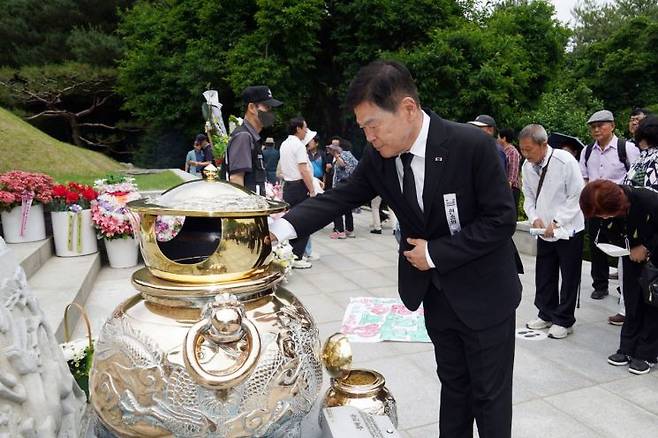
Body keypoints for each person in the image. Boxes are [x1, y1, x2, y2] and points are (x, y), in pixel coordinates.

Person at [269, 60, 521, 438]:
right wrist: (280, 229)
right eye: (363, 128)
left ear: (407, 109)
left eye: (373, 125)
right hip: (437, 294)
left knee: (489, 395)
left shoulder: (471, 146)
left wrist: (435, 253)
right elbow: (341, 197)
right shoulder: (380, 157)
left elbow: (501, 219)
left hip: (485, 293)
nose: (369, 136)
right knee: (453, 388)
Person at [580, 180, 658, 374]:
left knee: (652, 305)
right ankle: (628, 348)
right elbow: (611, 231)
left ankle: (647, 353)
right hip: (630, 256)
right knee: (632, 301)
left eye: (603, 214)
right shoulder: (606, 207)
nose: (602, 217)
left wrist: (647, 248)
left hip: (654, 260)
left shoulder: (648, 200)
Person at [520, 124, 585, 339]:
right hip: (543, 230)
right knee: (545, 273)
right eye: (522, 149)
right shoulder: (527, 166)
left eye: (529, 149)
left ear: (544, 144)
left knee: (568, 275)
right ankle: (546, 313)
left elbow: (577, 195)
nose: (525, 154)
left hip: (568, 229)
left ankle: (564, 319)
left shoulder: (565, 161)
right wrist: (534, 217)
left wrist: (557, 222)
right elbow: (528, 195)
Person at [580, 110, 641, 300]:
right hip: (596, 208)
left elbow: (636, 176)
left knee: (623, 245)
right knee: (597, 244)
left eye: (601, 126)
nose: (597, 130)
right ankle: (600, 284)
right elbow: (584, 177)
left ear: (612, 126)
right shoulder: (587, 150)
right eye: (593, 127)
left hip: (619, 207)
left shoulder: (626, 148)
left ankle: (626, 286)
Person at [608, 114, 658, 326]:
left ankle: (645, 347)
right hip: (633, 235)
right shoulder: (642, 157)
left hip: (649, 237)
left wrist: (646, 245)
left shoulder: (651, 158)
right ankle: (632, 335)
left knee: (649, 292)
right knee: (632, 289)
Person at [226, 85, 282, 194]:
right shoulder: (243, 136)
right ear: (251, 107)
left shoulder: (251, 137)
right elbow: (236, 180)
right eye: (267, 107)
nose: (270, 113)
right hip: (247, 209)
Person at [278, 117, 315, 269]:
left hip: (288, 187)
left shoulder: (284, 144)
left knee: (290, 221)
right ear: (298, 128)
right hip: (300, 187)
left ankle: (289, 253)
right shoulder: (298, 145)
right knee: (305, 221)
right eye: (305, 128)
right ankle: (297, 256)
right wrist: (312, 190)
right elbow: (303, 169)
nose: (306, 131)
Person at [327, 140, 359, 239]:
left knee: (337, 208)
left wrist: (336, 156)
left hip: (341, 185)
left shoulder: (343, 155)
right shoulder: (350, 156)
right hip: (349, 185)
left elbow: (342, 165)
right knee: (347, 208)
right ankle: (350, 230)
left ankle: (340, 231)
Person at [498, 127, 522, 215]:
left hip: (512, 189)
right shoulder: (502, 151)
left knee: (510, 214)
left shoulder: (512, 152)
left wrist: (507, 188)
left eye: (498, 137)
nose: (497, 139)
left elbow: (513, 172)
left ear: (504, 138)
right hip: (504, 188)